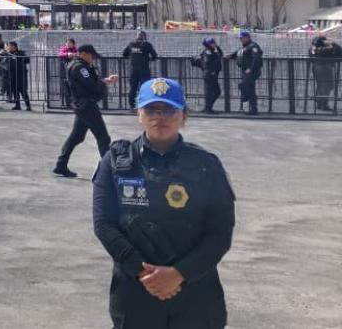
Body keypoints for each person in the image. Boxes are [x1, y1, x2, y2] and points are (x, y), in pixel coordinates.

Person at [92, 77, 235, 329]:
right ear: (139, 114)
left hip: (195, 289)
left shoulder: (206, 165)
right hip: (136, 290)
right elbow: (104, 224)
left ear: (184, 116)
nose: (160, 116)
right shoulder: (115, 162)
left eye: (169, 109)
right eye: (151, 109)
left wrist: (179, 274)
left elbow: (220, 232)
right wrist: (144, 273)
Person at [53, 44, 120, 178]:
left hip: (82, 106)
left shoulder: (79, 65)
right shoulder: (79, 67)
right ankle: (109, 170)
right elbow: (91, 86)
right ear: (83, 54)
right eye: (91, 55)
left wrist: (105, 80)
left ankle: (61, 164)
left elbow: (91, 82)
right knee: (103, 137)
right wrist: (104, 82)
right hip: (86, 106)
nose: (93, 58)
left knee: (76, 137)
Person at [224, 31, 262, 116]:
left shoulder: (253, 46)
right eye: (240, 38)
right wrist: (230, 56)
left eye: (242, 38)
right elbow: (238, 53)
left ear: (247, 37)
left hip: (252, 72)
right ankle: (254, 110)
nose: (240, 40)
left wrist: (250, 69)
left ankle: (245, 97)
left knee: (242, 85)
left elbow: (256, 59)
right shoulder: (245, 47)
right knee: (251, 90)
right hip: (245, 71)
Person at [122, 30, 158, 109]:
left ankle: (131, 104)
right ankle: (144, 104)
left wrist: (131, 58)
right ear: (144, 37)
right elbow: (154, 56)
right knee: (145, 87)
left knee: (133, 87)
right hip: (144, 69)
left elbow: (124, 54)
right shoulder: (147, 45)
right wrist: (148, 59)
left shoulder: (131, 44)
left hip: (133, 69)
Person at [309, 35, 341, 112]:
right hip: (325, 68)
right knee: (327, 86)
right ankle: (324, 104)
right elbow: (340, 50)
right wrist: (333, 43)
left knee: (321, 85)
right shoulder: (326, 50)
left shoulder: (312, 49)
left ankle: (320, 103)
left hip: (316, 68)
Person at [191, 38, 223, 114]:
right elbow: (207, 63)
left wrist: (217, 47)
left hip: (212, 74)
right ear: (208, 44)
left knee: (215, 92)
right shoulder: (207, 52)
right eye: (213, 43)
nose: (214, 44)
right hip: (210, 74)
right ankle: (208, 109)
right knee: (212, 92)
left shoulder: (212, 51)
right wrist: (212, 71)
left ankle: (208, 108)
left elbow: (220, 55)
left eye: (214, 42)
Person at [5, 40, 31, 111]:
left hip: (21, 75)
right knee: (15, 91)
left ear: (13, 46)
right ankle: (17, 105)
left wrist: (17, 57)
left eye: (9, 46)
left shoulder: (20, 52)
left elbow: (28, 60)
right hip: (12, 75)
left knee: (23, 91)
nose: (8, 47)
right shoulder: (8, 54)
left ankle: (28, 106)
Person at [58, 38, 79, 108]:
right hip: (64, 72)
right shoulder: (63, 48)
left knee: (73, 87)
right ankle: (66, 103)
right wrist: (67, 54)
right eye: (67, 43)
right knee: (65, 87)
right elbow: (60, 54)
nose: (68, 44)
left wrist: (74, 54)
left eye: (70, 43)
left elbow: (79, 54)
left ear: (73, 44)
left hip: (73, 72)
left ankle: (74, 102)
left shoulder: (75, 49)